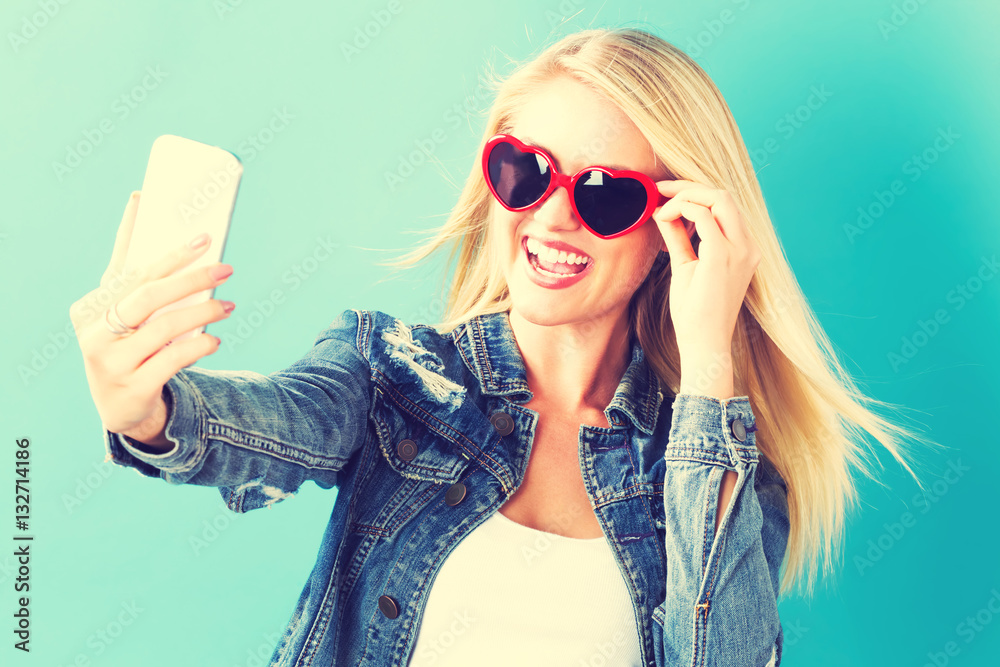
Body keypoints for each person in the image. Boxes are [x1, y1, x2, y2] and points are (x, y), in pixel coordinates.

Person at [70, 27, 935, 666]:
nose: (553, 216)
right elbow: (264, 426)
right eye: (526, 170)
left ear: (673, 231)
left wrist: (710, 363)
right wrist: (148, 408)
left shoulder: (718, 470)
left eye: (602, 194)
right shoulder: (393, 378)